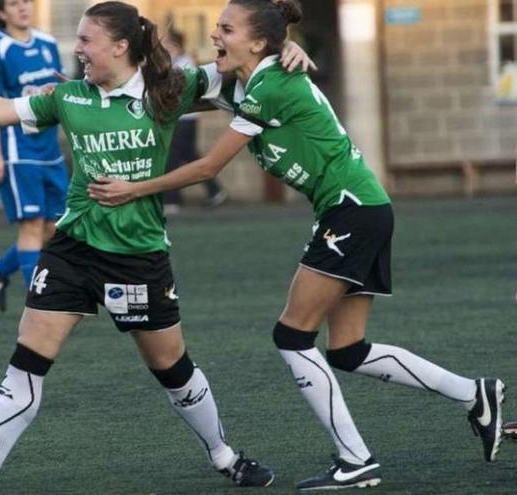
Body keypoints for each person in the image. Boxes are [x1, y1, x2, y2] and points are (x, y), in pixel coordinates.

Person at [0, 2, 314, 492]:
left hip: (138, 256)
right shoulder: (69, 97)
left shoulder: (170, 88)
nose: (77, 49)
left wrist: (287, 47)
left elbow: (243, 65)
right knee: (28, 360)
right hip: (72, 249)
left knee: (171, 368)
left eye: (86, 40)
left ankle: (224, 456)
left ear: (120, 46)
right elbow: (4, 110)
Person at [87, 0, 505, 491]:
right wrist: (77, 90)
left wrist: (132, 189)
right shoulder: (240, 78)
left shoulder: (270, 83)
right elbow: (170, 90)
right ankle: (474, 394)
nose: (215, 35)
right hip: (356, 210)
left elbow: (207, 168)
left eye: (226, 28)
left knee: (292, 335)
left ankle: (356, 459)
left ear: (259, 42)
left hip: (354, 210)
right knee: (348, 350)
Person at [0, 0, 69, 313]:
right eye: (14, 4)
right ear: (2, 13)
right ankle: (40, 304)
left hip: (50, 149)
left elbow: (60, 90)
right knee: (31, 226)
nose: (23, 8)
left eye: (27, 2)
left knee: (53, 229)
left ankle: (0, 269)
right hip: (18, 150)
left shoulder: (48, 43)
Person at [160, 29, 227, 213]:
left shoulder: (185, 63)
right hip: (180, 118)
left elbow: (174, 89)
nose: (163, 49)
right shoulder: (174, 63)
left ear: (175, 46)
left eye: (166, 46)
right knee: (189, 156)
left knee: (173, 157)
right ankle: (215, 191)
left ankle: (171, 201)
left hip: (185, 119)